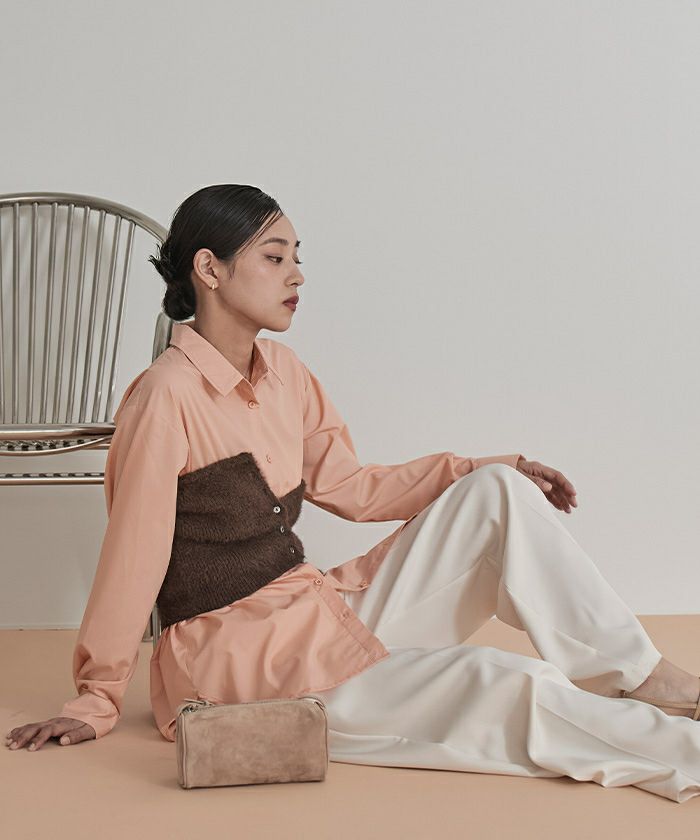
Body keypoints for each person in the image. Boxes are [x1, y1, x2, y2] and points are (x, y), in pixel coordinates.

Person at [6, 185, 700, 803]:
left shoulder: (285, 372)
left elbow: (351, 486)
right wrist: (96, 699)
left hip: (317, 613)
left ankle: (646, 678)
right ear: (209, 269)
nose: (297, 274)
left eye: (296, 257)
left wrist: (487, 465)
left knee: (495, 492)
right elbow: (134, 558)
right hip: (242, 667)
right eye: (274, 257)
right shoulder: (164, 397)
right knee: (504, 682)